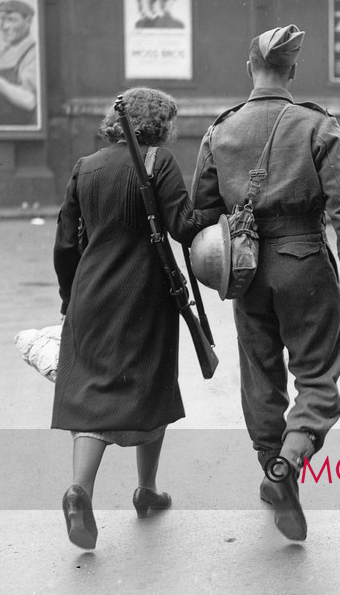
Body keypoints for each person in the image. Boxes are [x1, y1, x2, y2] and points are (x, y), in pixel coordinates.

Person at [191, 24, 340, 542]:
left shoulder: (220, 130)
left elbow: (203, 213)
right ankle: (288, 465)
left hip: (243, 270)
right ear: (292, 72)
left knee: (260, 374)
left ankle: (271, 463)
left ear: (250, 69)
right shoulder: (317, 124)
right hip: (305, 263)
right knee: (318, 373)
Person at [52, 87, 217, 550]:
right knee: (151, 385)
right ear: (161, 124)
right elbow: (184, 226)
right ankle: (146, 490)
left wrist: (71, 299)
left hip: (90, 296)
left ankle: (78, 491)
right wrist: (218, 209)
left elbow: (67, 245)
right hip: (144, 295)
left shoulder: (84, 167)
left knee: (91, 393)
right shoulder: (155, 161)